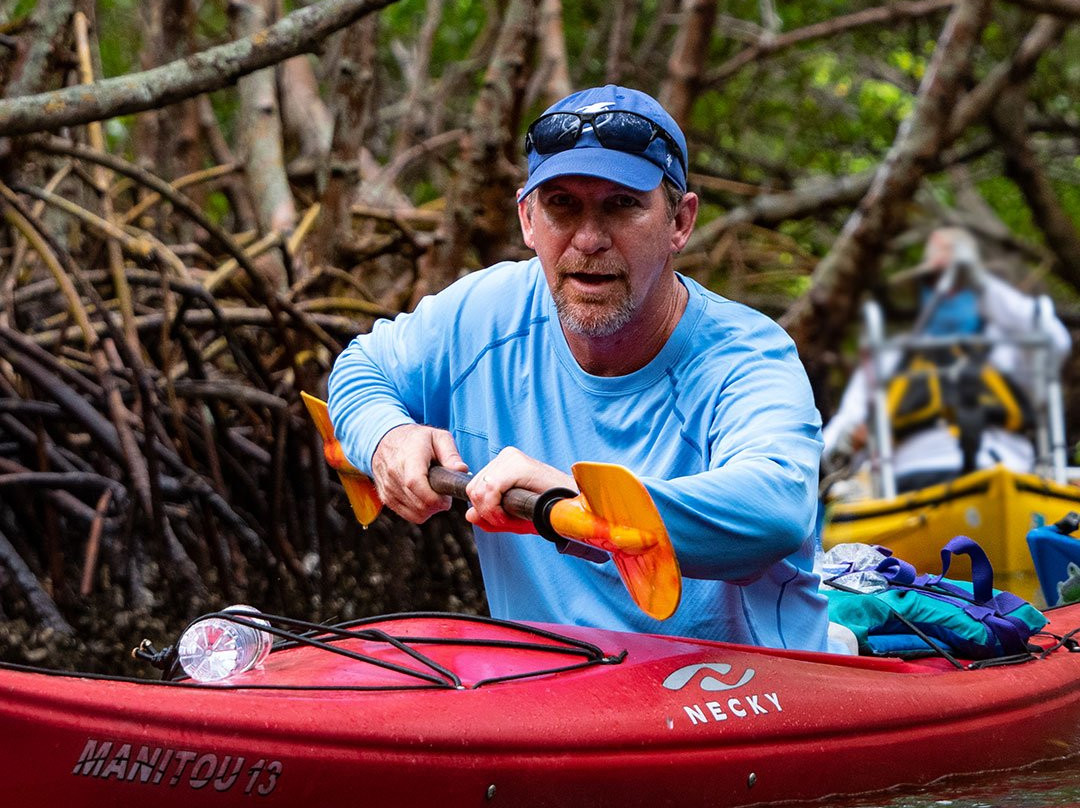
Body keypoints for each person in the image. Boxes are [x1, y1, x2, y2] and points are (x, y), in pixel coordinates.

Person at [328, 85, 828, 650]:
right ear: (527, 218)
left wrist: (572, 499)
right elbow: (362, 366)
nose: (588, 240)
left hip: (745, 698)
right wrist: (386, 438)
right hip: (552, 692)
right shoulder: (485, 313)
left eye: (622, 204)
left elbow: (777, 507)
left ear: (679, 223)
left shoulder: (747, 355)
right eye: (562, 205)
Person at [823, 227, 1071, 493]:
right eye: (936, 280)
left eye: (959, 282)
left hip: (1003, 474)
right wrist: (851, 437)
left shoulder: (1008, 350)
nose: (947, 291)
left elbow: (1056, 341)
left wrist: (981, 282)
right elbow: (829, 445)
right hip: (910, 484)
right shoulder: (890, 357)